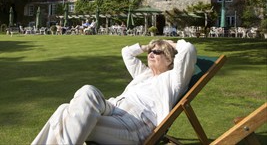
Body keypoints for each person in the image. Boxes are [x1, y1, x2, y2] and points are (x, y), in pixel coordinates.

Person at [31, 39, 197, 145]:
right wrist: (148, 46)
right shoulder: (144, 74)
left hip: (134, 125)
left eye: (158, 52)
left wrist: (170, 43)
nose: (152, 53)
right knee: (86, 92)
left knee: (66, 114)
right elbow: (127, 53)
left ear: (170, 61)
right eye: (150, 52)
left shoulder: (174, 80)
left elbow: (188, 49)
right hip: (112, 108)